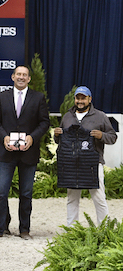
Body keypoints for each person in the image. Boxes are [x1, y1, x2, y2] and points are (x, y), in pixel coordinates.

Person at [0, 65, 50, 240]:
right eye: (18, 74)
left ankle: (24, 229)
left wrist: (32, 137)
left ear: (29, 79)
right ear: (13, 77)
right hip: (5, 152)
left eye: (24, 75)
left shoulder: (38, 98)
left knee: (26, 193)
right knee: (0, 192)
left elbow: (44, 122)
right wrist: (4, 138)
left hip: (28, 153)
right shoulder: (2, 97)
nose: (21, 77)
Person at [53, 86, 117, 226]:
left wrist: (101, 135)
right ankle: (72, 230)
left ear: (90, 99)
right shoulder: (67, 116)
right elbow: (59, 141)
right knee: (72, 198)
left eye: (83, 98)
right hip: (71, 164)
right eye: (78, 98)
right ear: (75, 99)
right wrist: (56, 135)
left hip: (93, 163)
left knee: (99, 197)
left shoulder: (100, 116)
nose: (80, 101)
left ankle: (104, 229)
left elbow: (112, 137)